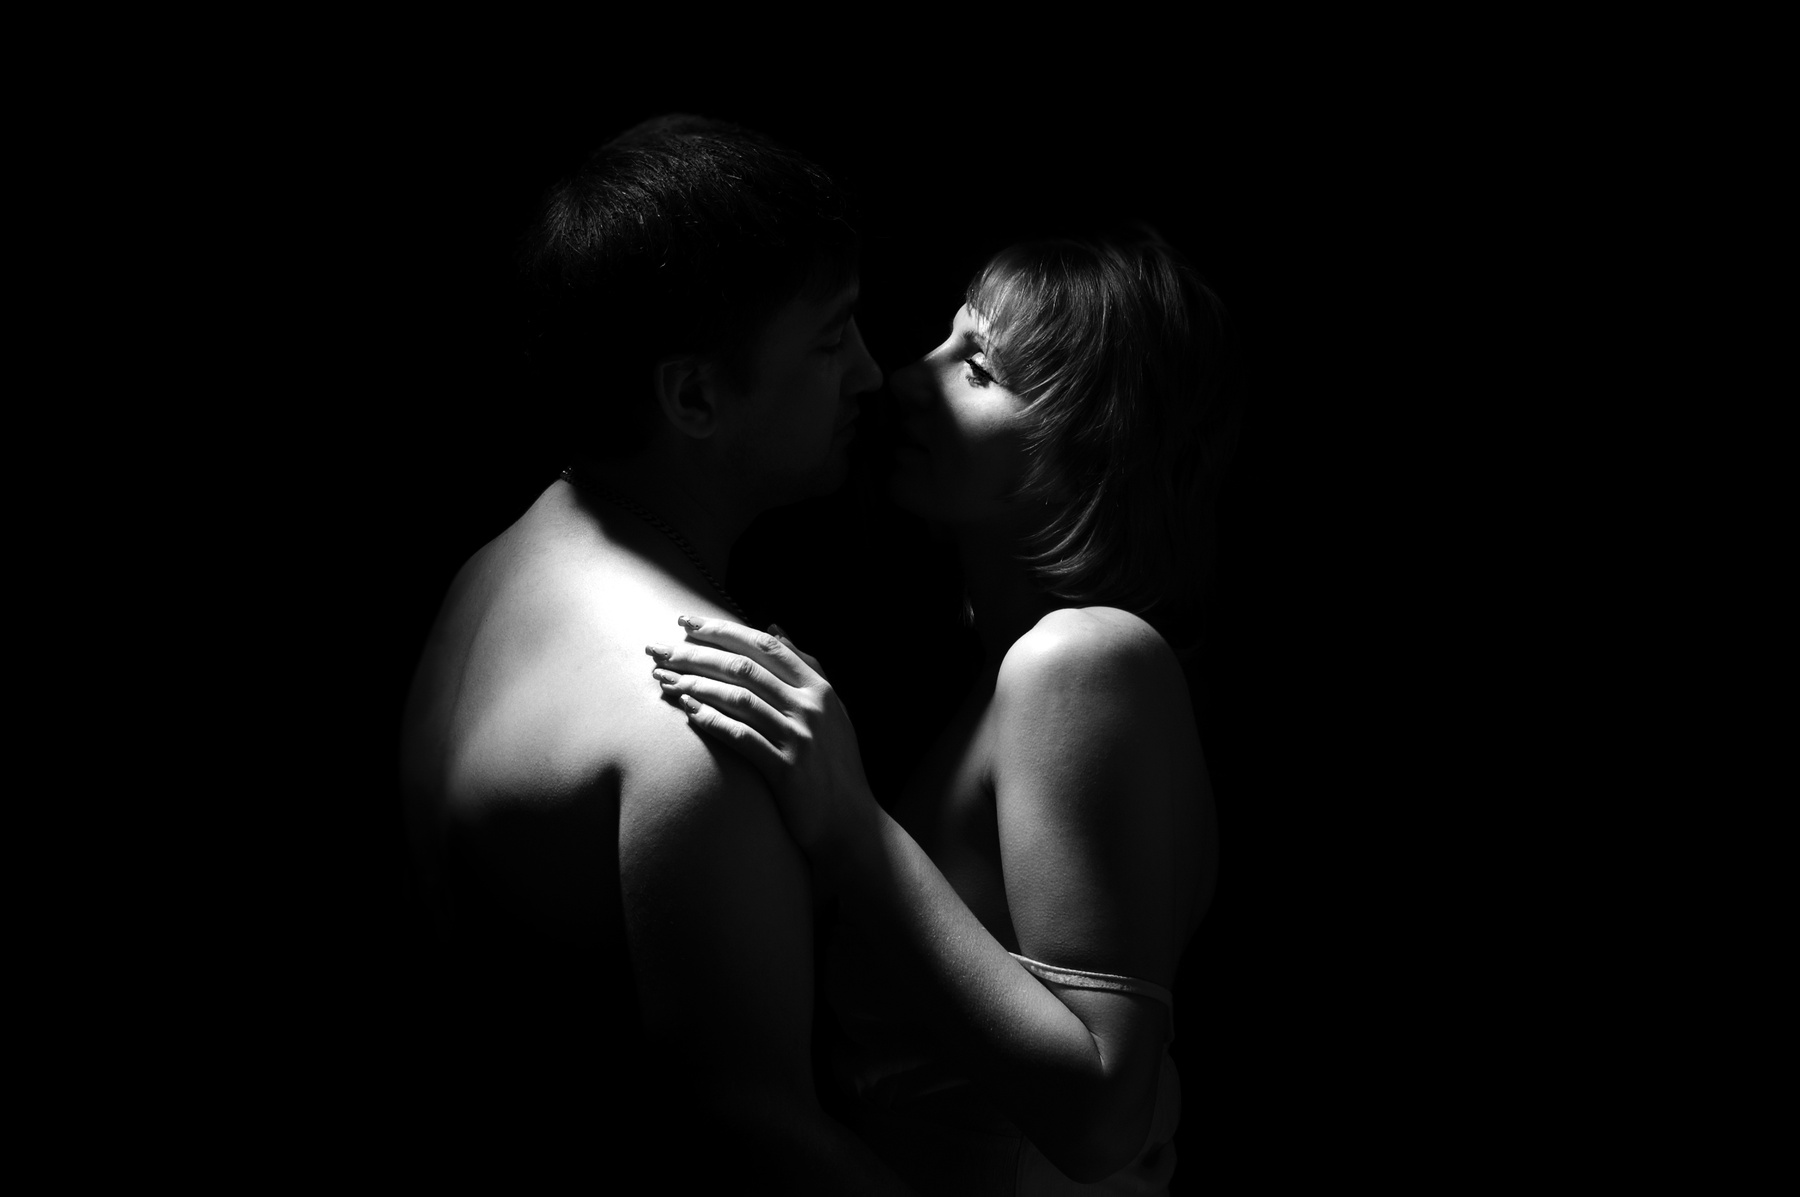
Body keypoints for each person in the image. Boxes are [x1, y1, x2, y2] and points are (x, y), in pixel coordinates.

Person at [651, 230, 1240, 1194]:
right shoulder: (1017, 673)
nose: (900, 379)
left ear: (1089, 442)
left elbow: (1102, 1117)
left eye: (978, 367)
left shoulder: (1082, 659)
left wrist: (849, 822)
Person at [398, 115, 913, 1191]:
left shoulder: (495, 571)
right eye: (831, 341)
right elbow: (761, 1142)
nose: (872, 373)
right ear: (694, 397)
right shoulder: (702, 716)